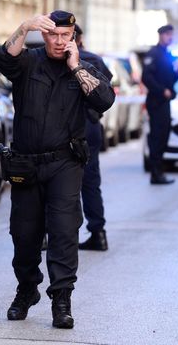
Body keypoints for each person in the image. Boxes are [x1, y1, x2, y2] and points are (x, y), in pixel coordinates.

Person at [0, 11, 115, 329]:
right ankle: (26, 289)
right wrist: (23, 27)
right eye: (53, 35)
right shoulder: (27, 62)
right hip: (27, 163)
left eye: (66, 36)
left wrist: (76, 68)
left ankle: (62, 300)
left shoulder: (84, 69)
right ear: (44, 35)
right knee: (24, 233)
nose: (59, 41)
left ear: (74, 37)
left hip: (65, 164)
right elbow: (3, 61)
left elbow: (104, 100)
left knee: (63, 233)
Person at [72, 23, 112, 252]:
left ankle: (52, 235)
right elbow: (107, 88)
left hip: (72, 127)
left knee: (57, 182)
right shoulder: (93, 59)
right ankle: (98, 233)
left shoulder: (60, 61)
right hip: (90, 125)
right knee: (90, 181)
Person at [142, 24, 178, 185]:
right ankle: (155, 173)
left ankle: (158, 171)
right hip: (156, 101)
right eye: (167, 35)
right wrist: (161, 90)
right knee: (157, 137)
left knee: (163, 136)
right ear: (160, 35)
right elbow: (146, 78)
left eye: (171, 34)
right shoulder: (154, 53)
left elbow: (170, 79)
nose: (170, 37)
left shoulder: (168, 55)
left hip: (165, 101)